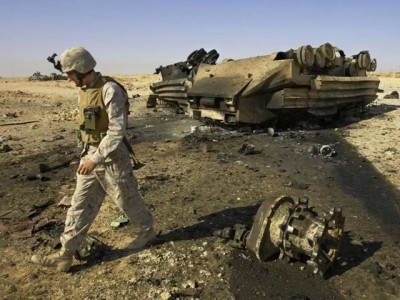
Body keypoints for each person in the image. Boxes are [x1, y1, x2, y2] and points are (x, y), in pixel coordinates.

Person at [31, 47, 155, 272]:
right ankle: (65, 254)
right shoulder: (85, 90)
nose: (68, 78)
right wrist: (87, 155)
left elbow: (117, 131)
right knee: (79, 205)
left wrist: (96, 158)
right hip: (90, 156)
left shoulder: (110, 89)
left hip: (112, 157)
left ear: (80, 69)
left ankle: (146, 231)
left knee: (126, 198)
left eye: (70, 73)